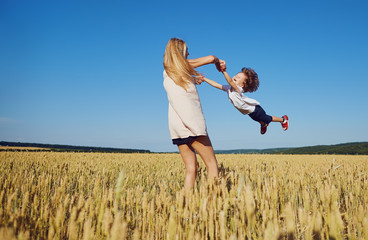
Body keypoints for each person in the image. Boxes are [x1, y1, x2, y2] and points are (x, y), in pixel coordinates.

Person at [163, 38, 225, 192]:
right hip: (192, 125)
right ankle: (211, 205)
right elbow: (211, 58)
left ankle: (185, 206)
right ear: (179, 52)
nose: (189, 53)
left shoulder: (168, 71)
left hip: (177, 127)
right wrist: (218, 61)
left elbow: (180, 86)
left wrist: (193, 79)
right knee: (212, 165)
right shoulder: (180, 65)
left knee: (192, 168)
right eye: (186, 50)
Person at [200, 67, 289, 134]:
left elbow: (230, 81)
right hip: (248, 112)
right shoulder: (229, 88)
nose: (235, 77)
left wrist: (223, 71)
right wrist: (204, 79)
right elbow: (217, 85)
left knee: (267, 118)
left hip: (255, 109)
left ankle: (283, 119)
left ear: (242, 85)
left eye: (238, 78)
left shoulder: (238, 89)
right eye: (236, 75)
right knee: (255, 119)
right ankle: (263, 124)